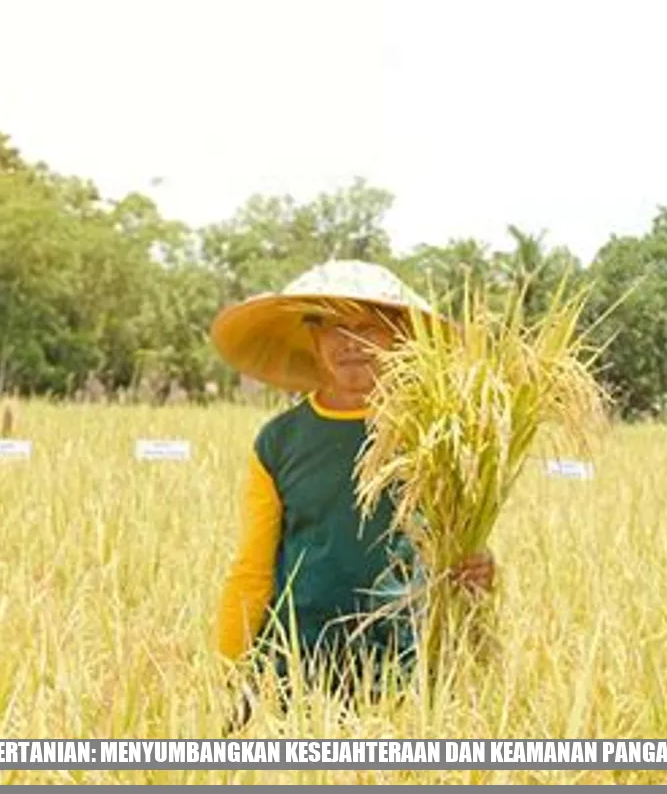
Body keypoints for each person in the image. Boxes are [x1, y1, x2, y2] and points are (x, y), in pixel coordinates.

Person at [209, 260, 495, 720]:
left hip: (404, 670)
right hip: (297, 667)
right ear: (314, 338)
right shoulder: (280, 441)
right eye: (335, 328)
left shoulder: (440, 434)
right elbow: (253, 569)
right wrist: (226, 670)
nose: (351, 343)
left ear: (400, 336)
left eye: (368, 327)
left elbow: (463, 548)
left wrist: (482, 569)